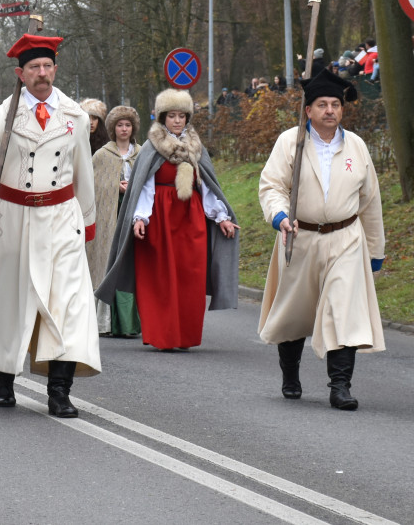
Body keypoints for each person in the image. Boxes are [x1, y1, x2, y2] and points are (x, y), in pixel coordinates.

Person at [0, 34, 100, 418]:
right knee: (9, 302)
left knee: (68, 306)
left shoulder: (74, 116)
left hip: (61, 220)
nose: (41, 74)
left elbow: (83, 173)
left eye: (47, 67)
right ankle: (4, 381)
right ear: (19, 74)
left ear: (55, 69)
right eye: (33, 69)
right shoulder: (1, 116)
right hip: (12, 218)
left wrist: (88, 223)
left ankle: (59, 391)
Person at [257, 70, 384, 410]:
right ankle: (290, 372)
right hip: (300, 236)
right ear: (308, 110)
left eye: (335, 105)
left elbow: (370, 201)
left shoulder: (356, 146)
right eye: (322, 104)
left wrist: (376, 249)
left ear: (342, 110)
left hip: (346, 238)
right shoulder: (291, 142)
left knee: (344, 310)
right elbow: (272, 186)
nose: (330, 110)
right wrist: (280, 217)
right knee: (294, 314)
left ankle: (340, 386)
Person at [96, 89, 240, 352]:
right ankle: (163, 336)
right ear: (163, 118)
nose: (177, 120)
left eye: (182, 116)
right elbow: (145, 186)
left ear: (187, 118)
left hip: (191, 217)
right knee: (159, 278)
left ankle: (184, 335)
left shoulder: (196, 147)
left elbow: (206, 186)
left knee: (190, 277)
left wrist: (222, 217)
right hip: (160, 218)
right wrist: (140, 218)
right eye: (172, 116)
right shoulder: (152, 147)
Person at [89, 105, 141, 337]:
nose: (124, 129)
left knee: (131, 263)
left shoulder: (142, 154)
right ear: (112, 128)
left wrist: (133, 189)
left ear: (133, 128)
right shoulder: (102, 155)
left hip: (134, 214)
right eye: (119, 125)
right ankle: (106, 322)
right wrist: (114, 187)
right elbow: (93, 186)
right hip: (110, 215)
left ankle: (132, 322)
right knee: (109, 261)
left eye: (127, 125)